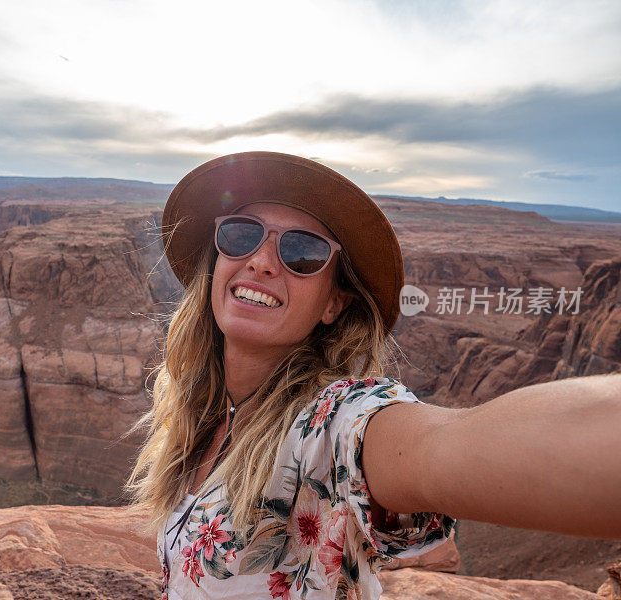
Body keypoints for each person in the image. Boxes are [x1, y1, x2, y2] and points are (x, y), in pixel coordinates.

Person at [125, 151, 621, 600]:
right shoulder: (208, 414)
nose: (261, 262)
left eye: (302, 253)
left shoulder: (330, 425)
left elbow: (442, 444)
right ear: (217, 261)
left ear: (334, 304)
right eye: (241, 234)